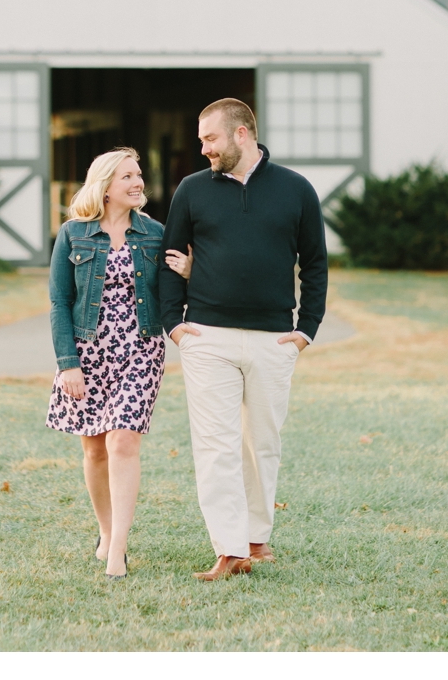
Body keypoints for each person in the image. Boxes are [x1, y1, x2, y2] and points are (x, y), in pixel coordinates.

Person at [157, 98, 328, 581]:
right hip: (206, 336)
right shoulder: (191, 190)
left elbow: (315, 264)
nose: (203, 148)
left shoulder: (296, 190)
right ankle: (229, 550)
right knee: (216, 445)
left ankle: (257, 538)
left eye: (209, 138)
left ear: (241, 134)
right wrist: (176, 324)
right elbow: (171, 255)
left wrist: (305, 330)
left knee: (262, 443)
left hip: (274, 340)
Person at [47, 147, 166, 580]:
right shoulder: (74, 234)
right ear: (106, 187)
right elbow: (60, 301)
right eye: (128, 177)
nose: (138, 183)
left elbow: (175, 288)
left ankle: (118, 549)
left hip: (142, 348)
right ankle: (105, 530)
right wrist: (67, 363)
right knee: (94, 447)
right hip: (88, 351)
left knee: (122, 443)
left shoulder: (155, 233)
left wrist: (189, 270)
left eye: (139, 176)